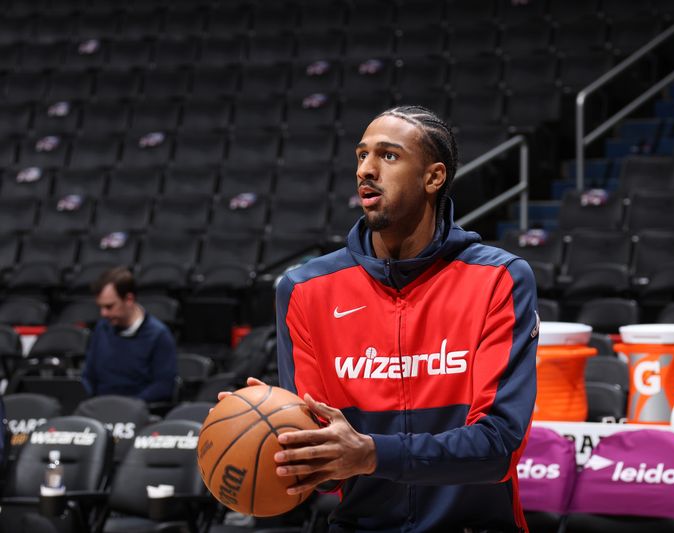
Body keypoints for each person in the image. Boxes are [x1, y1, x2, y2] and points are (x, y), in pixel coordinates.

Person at [231, 106, 539, 531]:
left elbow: (498, 447)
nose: (366, 170)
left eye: (388, 156)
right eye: (361, 155)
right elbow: (322, 470)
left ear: (433, 178)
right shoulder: (304, 290)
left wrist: (372, 453)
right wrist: (266, 431)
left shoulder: (499, 279)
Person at [82, 267, 177, 403]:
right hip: (99, 408)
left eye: (109, 307)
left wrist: (130, 406)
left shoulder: (159, 335)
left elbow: (163, 386)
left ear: (129, 299)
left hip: (138, 412)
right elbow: (88, 376)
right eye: (101, 307)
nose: (103, 313)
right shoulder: (101, 328)